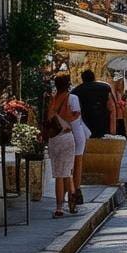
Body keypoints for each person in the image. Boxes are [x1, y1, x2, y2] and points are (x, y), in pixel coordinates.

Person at [45, 75, 80, 218]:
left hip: (54, 139)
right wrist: (67, 121)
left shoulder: (52, 100)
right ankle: (63, 206)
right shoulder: (72, 98)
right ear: (68, 85)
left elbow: (48, 118)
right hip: (67, 137)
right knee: (66, 173)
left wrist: (58, 119)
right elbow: (77, 115)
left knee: (60, 173)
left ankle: (62, 206)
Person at [73, 70, 116, 139]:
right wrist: (113, 130)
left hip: (86, 125)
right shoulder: (105, 87)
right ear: (94, 78)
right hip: (103, 124)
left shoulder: (76, 91)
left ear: (82, 79)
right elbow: (112, 108)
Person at [67, 81, 90, 207]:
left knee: (68, 166)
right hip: (78, 132)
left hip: (67, 133)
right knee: (77, 163)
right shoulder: (73, 98)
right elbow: (77, 115)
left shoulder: (58, 99)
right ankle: (77, 189)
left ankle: (71, 192)